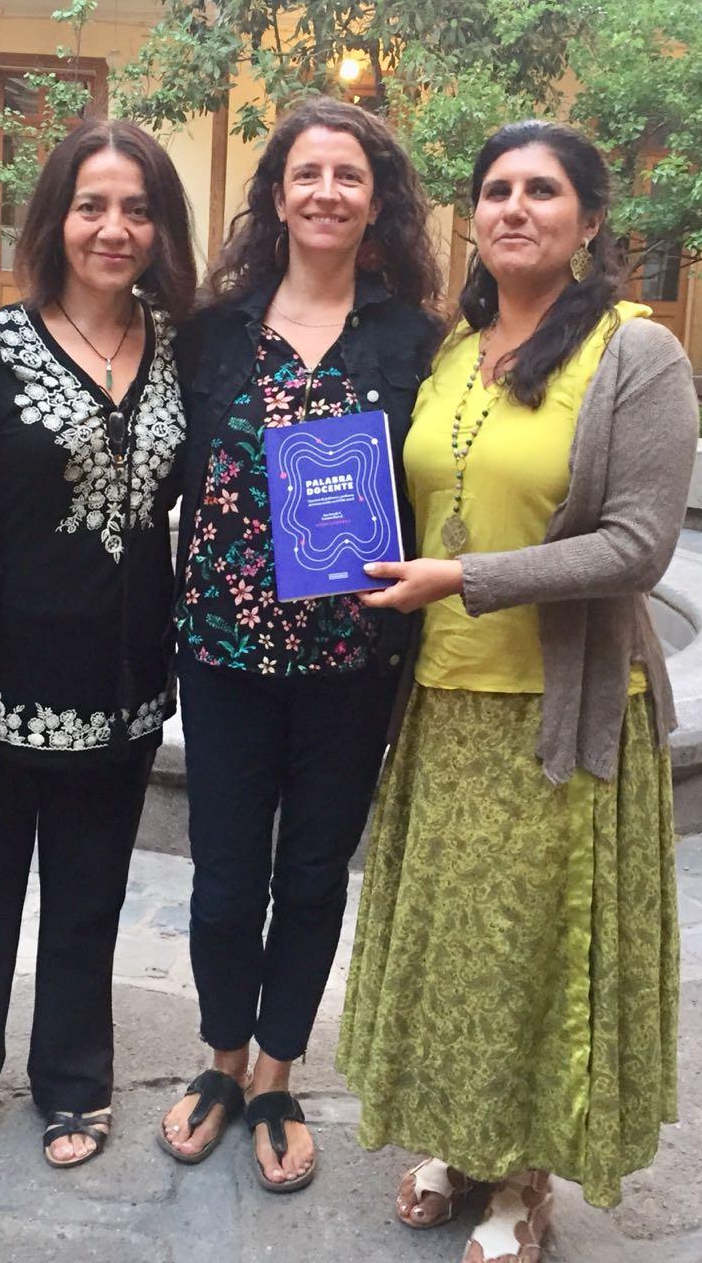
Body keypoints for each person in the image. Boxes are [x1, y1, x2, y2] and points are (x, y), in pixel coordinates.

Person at [335, 120, 699, 1260]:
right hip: (443, 703)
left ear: (587, 221)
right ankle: (451, 1135)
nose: (512, 207)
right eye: (494, 189)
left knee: (532, 958)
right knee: (448, 948)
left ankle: (520, 1180)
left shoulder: (636, 357)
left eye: (542, 190)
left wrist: (465, 577)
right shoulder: (457, 346)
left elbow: (636, 546)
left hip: (561, 716)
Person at [0, 118, 195, 1179]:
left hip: (117, 685)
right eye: (92, 205)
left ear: (162, 228)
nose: (114, 228)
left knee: (88, 898)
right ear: (56, 219)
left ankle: (73, 1079)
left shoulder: (177, 353)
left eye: (138, 209)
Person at [157, 97, 442, 1191]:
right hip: (222, 653)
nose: (325, 192)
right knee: (225, 875)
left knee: (314, 870)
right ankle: (219, 1059)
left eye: (348, 176)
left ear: (376, 202)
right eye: (305, 173)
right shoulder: (214, 330)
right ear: (275, 194)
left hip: (349, 661)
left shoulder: (413, 338)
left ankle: (276, 1074)